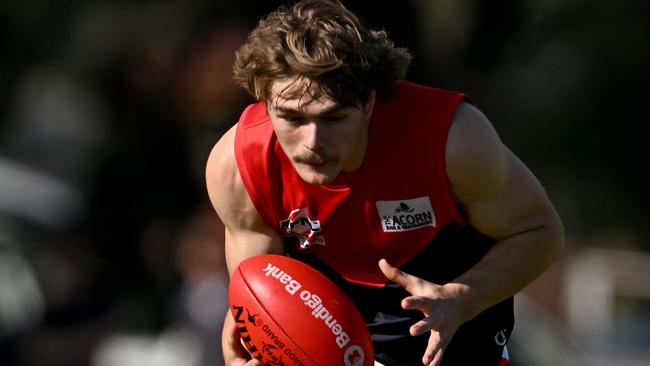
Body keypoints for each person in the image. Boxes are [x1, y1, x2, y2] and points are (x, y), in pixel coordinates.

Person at [205, 0, 564, 365]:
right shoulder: (238, 166)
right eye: (293, 119)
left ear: (370, 100)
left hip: (451, 321)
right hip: (326, 320)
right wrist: (249, 347)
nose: (312, 142)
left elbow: (539, 231)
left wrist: (462, 297)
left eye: (334, 117)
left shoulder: (451, 141)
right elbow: (259, 296)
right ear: (265, 103)